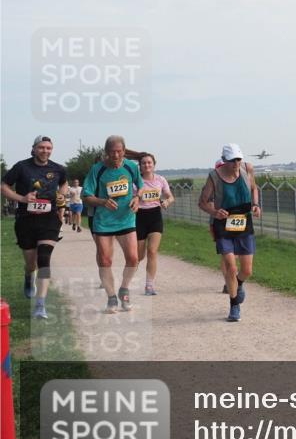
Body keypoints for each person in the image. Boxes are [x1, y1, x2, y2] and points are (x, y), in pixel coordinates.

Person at [1, 136, 69, 320]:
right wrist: (22, 199)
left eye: (48, 148)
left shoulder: (58, 169)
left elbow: (64, 183)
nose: (45, 151)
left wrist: (61, 199)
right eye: (41, 147)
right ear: (34, 149)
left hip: (49, 219)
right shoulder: (21, 167)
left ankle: (40, 305)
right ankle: (28, 277)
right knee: (31, 264)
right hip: (26, 220)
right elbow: (4, 185)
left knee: (44, 258)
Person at [198, 144, 261, 322]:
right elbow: (202, 202)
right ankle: (234, 306)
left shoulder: (247, 169)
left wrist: (255, 205)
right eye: (232, 160)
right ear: (224, 160)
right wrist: (214, 212)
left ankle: (238, 284)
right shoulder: (214, 177)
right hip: (223, 225)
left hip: (244, 222)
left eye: (238, 159)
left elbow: (254, 188)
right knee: (232, 267)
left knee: (247, 270)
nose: (236, 163)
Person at [82, 136, 143, 314]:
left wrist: (137, 198)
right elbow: (86, 196)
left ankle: (124, 289)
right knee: (105, 261)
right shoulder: (97, 170)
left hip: (126, 219)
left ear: (124, 151)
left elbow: (141, 185)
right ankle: (111, 298)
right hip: (104, 223)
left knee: (133, 258)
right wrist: (102, 202)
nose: (116, 155)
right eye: (112, 152)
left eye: (119, 151)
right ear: (106, 152)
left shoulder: (131, 167)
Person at [136, 153, 174, 295]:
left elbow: (170, 196)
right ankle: (127, 280)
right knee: (139, 257)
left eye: (149, 163)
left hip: (155, 217)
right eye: (144, 163)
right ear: (140, 166)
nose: (147, 165)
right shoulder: (136, 181)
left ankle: (149, 285)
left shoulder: (160, 179)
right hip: (139, 217)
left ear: (154, 164)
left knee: (152, 251)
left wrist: (166, 202)